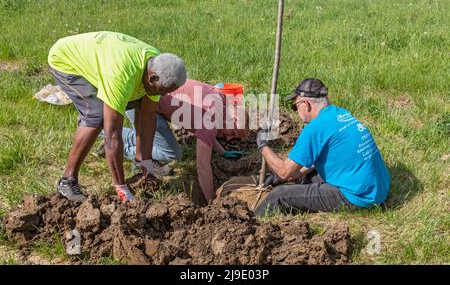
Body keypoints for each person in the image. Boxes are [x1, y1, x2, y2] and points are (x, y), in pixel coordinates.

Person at [48, 31, 187, 203]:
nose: (164, 95)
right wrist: (122, 188)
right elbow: (112, 136)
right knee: (97, 116)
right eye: (163, 91)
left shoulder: (157, 64)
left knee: (140, 101)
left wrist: (147, 164)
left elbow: (148, 117)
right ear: (152, 78)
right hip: (66, 60)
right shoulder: (121, 76)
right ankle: (67, 180)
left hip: (104, 59)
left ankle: (138, 160)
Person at [254, 78, 390, 216]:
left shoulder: (315, 128)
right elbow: (309, 165)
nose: (296, 111)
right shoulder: (341, 113)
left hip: (357, 197)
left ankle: (253, 222)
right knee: (310, 174)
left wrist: (262, 145)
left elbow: (284, 171)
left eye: (295, 106)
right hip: (377, 188)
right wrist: (281, 178)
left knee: (279, 195)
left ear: (306, 104)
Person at [121, 79, 249, 203]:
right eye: (233, 133)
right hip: (142, 105)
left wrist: (223, 152)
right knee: (171, 154)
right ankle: (117, 142)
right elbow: (202, 166)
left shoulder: (221, 100)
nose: (228, 138)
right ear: (235, 119)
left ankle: (120, 140)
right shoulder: (212, 118)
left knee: (166, 148)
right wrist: (211, 200)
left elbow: (204, 134)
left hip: (148, 99)